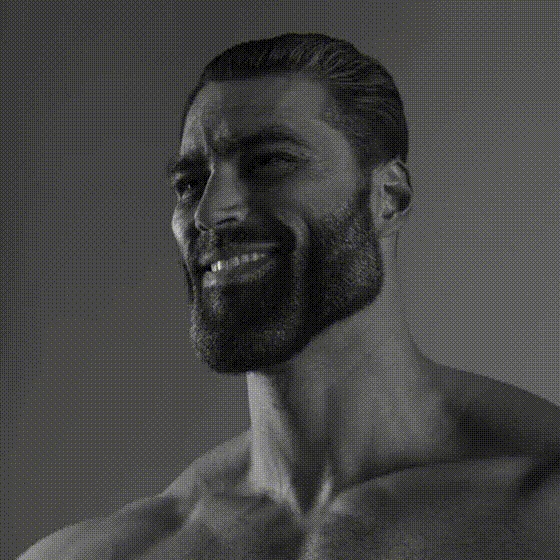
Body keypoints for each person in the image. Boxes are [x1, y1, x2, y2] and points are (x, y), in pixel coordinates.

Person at [19, 33, 559, 560]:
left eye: (270, 163)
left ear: (388, 198)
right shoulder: (121, 547)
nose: (210, 213)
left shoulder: (536, 511)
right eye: (190, 183)